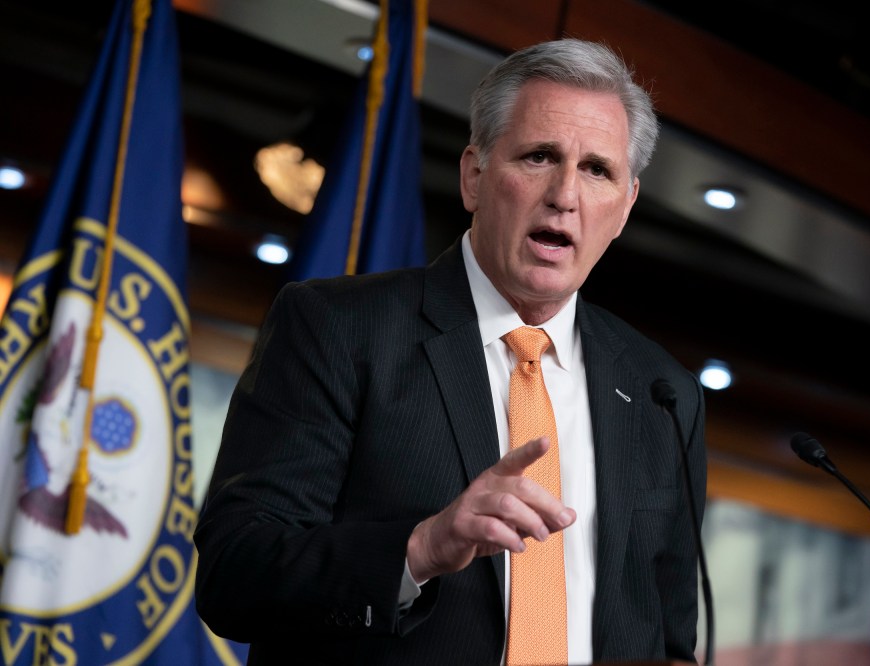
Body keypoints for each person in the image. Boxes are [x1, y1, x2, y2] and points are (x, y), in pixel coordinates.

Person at [194, 38, 706, 665]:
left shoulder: (664, 392)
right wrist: (422, 548)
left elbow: (673, 638)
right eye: (540, 156)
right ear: (474, 176)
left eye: (597, 170)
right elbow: (234, 574)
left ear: (625, 206)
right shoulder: (338, 327)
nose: (565, 195)